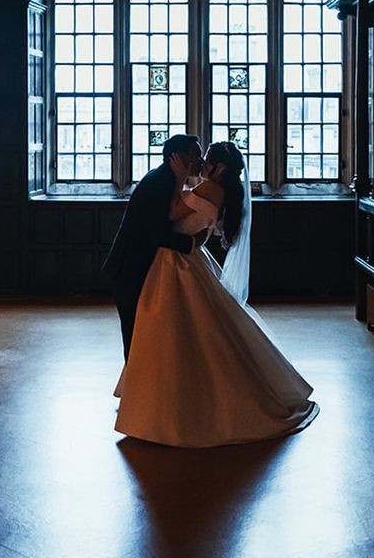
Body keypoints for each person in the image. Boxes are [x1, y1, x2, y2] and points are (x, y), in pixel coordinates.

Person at [114, 141, 319, 448]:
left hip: (176, 264)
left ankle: (168, 404)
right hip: (182, 259)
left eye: (206, 160)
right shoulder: (216, 191)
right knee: (186, 332)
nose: (201, 164)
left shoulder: (208, 190)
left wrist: (181, 176)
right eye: (197, 158)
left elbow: (172, 211)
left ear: (219, 167)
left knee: (173, 332)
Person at [102, 134, 205, 361]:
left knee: (142, 332)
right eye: (196, 155)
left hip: (135, 265)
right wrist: (192, 242)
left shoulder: (164, 177)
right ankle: (134, 387)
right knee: (135, 331)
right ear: (178, 157)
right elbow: (154, 232)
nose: (201, 160)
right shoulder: (160, 182)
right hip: (129, 268)